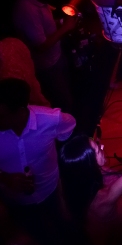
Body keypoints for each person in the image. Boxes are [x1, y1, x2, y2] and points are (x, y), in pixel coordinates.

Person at [58, 73, 122, 245]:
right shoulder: (104, 199)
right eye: (98, 150)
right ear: (89, 167)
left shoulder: (71, 186)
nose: (103, 147)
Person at [0, 78, 76, 245]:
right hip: (14, 202)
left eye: (1, 116)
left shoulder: (51, 120)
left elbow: (70, 127)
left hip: (51, 192)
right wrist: (4, 178)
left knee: (63, 229)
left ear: (20, 111)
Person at [11, 0, 76, 112]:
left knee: (68, 93)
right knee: (63, 102)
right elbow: (41, 46)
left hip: (56, 58)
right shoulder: (27, 10)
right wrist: (66, 28)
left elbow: (43, 27)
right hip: (48, 67)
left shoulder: (39, 1)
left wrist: (59, 23)